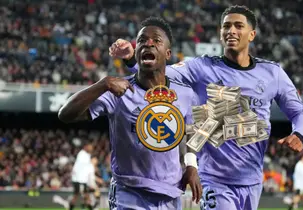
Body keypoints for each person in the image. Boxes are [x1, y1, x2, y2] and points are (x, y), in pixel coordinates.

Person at [109, 5, 303, 210]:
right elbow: (158, 72)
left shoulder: (272, 73)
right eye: (226, 26)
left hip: (252, 179)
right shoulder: (201, 68)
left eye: (238, 26)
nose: (231, 30)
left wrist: (299, 133)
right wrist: (130, 57)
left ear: (252, 34)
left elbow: (299, 112)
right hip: (214, 179)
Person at [59, 17, 202, 210]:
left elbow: (192, 128)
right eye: (142, 40)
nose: (148, 43)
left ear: (168, 54)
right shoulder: (117, 91)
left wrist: (192, 165)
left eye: (156, 40)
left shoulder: (185, 94)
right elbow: (65, 114)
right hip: (128, 194)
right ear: (136, 54)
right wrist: (104, 83)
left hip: (170, 195)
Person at [69, 142, 93, 210]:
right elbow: (83, 168)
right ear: (85, 147)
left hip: (81, 179)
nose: (91, 149)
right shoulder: (82, 154)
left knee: (83, 194)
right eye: (90, 147)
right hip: (79, 179)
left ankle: (89, 206)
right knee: (78, 195)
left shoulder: (86, 155)